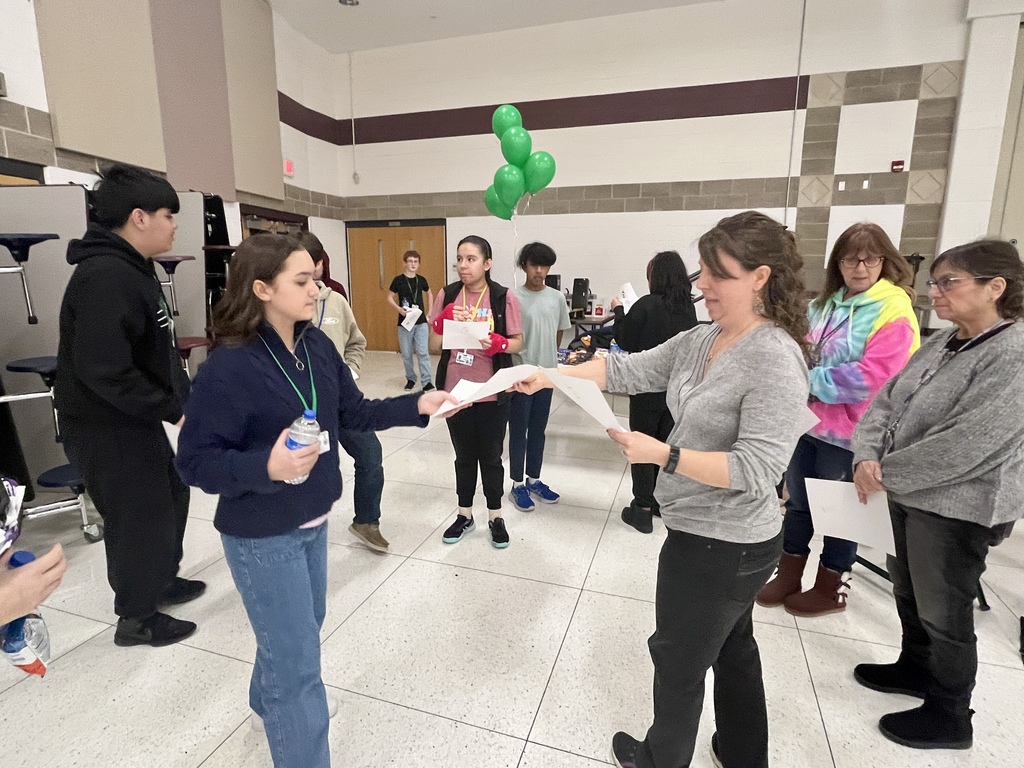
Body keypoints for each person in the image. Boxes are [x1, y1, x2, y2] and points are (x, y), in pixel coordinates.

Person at [516, 211, 810, 768]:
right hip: (709, 531)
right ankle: (746, 754)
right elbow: (627, 372)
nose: (701, 285)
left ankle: (660, 759)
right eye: (701, 271)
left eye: (715, 274)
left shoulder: (773, 358)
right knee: (733, 647)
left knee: (677, 660)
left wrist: (664, 454)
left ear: (760, 277)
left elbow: (756, 467)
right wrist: (551, 374)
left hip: (724, 542)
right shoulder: (704, 339)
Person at [176, 234, 457, 768]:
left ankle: (264, 699)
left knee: (304, 625)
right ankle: (285, 709)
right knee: (300, 671)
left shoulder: (317, 347)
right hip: (261, 532)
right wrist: (267, 466)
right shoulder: (227, 368)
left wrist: (417, 404)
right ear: (262, 289)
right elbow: (193, 462)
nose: (317, 289)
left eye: (317, 278)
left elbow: (353, 413)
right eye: (302, 281)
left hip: (312, 520)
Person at [851, 240, 1024, 751]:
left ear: (996, 288)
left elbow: (970, 444)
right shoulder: (945, 342)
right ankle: (914, 667)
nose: (935, 291)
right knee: (908, 588)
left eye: (949, 282)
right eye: (935, 282)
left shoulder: (1012, 352)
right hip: (904, 492)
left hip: (956, 507)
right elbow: (885, 401)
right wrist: (866, 454)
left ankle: (952, 714)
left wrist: (885, 473)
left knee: (945, 611)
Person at [54, 163, 202, 648]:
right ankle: (136, 617)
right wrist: (167, 406)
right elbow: (103, 370)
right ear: (139, 217)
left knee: (170, 499)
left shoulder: (133, 269)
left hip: (139, 419)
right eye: (168, 214)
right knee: (138, 515)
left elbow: (151, 350)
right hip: (109, 426)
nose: (175, 223)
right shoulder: (105, 277)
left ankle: (159, 581)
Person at [757, 223, 919, 617]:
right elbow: (794, 348)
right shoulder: (823, 305)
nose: (859, 267)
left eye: (870, 258)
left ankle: (831, 586)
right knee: (796, 503)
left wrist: (808, 379)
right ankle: (789, 573)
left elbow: (876, 376)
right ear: (838, 263)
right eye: (850, 258)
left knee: (840, 513)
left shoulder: (893, 308)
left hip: (851, 433)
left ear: (885, 261)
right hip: (806, 424)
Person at [296, 231, 390, 553]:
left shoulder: (336, 300)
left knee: (370, 456)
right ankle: (298, 530)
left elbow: (356, 342)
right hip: (303, 408)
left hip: (342, 400)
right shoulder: (282, 307)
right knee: (309, 471)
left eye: (315, 263)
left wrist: (350, 370)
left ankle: (366, 521)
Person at [429, 235, 524, 548]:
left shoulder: (502, 297)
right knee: (463, 457)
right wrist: (443, 319)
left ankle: (495, 516)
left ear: (487, 263)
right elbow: (435, 338)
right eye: (459, 259)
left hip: (491, 392)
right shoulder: (448, 293)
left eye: (470, 259)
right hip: (456, 391)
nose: (462, 265)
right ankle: (464, 513)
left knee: (492, 458)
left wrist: (500, 343)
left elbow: (518, 342)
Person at [609, 251, 698, 533]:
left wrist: (619, 309)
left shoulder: (646, 305)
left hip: (646, 388)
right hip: (675, 391)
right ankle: (660, 503)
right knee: (664, 446)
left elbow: (624, 339)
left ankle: (642, 508)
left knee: (642, 446)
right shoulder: (688, 308)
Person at [507, 242, 572, 512]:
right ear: (524, 266)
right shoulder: (512, 297)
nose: (540, 271)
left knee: (538, 430)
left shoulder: (556, 298)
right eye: (535, 265)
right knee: (518, 431)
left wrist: (549, 362)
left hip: (546, 376)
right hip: (521, 375)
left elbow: (559, 332)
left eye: (545, 266)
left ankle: (534, 479)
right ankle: (516, 484)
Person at [387, 250, 435, 391]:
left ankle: (427, 381)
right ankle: (411, 378)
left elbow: (430, 294)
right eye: (410, 261)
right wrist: (399, 309)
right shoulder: (398, 280)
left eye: (415, 262)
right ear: (405, 263)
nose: (413, 264)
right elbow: (389, 297)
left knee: (423, 352)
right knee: (407, 354)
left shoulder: (421, 280)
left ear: (418, 264)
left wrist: (430, 313)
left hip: (420, 322)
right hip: (405, 323)